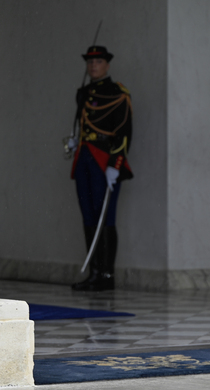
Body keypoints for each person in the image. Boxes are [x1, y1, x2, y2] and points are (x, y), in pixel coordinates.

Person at [69, 46, 133, 291]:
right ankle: (95, 272)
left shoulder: (117, 92)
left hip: (104, 159)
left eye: (98, 61)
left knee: (105, 216)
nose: (93, 66)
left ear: (107, 65)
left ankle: (107, 275)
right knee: (88, 215)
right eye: (90, 62)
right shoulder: (84, 92)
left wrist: (115, 164)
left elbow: (124, 132)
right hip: (84, 157)